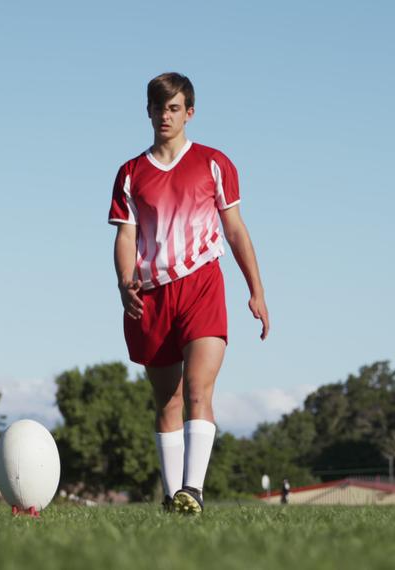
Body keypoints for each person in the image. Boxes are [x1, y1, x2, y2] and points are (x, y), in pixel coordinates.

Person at [108, 72, 270, 515]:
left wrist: (256, 290)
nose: (165, 115)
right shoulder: (130, 173)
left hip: (201, 285)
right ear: (148, 111)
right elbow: (125, 237)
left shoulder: (215, 163)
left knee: (199, 390)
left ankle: (192, 492)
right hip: (152, 295)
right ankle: (171, 495)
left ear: (189, 113)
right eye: (159, 107)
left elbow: (235, 230)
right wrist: (125, 283)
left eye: (174, 108)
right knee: (169, 401)